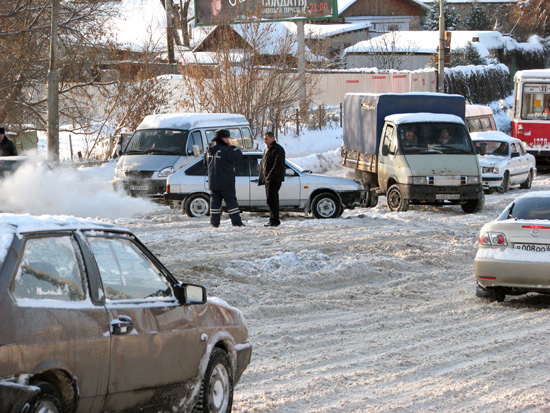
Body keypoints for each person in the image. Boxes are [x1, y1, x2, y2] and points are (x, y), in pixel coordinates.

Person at [203, 129, 245, 228]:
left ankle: (214, 223)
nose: (228, 140)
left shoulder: (208, 150)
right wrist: (232, 147)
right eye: (227, 138)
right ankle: (236, 223)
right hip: (226, 181)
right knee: (231, 203)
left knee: (215, 204)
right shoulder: (226, 150)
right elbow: (239, 156)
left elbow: (205, 164)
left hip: (213, 181)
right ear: (223, 138)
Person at [259, 131, 286, 227]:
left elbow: (277, 165)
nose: (265, 141)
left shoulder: (277, 149)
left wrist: (270, 176)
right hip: (268, 179)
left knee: (272, 199)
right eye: (264, 139)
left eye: (266, 138)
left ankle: (275, 220)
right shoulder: (267, 149)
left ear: (272, 138)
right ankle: (273, 219)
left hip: (274, 179)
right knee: (270, 200)